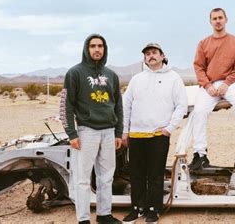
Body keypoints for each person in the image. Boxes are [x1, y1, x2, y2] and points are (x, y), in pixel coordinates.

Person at [121, 43, 188, 224]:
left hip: (158, 136)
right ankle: (137, 208)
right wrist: (125, 131)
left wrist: (168, 128)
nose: (151, 56)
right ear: (144, 58)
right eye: (147, 54)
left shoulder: (173, 78)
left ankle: (153, 210)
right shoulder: (137, 79)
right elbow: (126, 105)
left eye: (154, 53)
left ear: (162, 55)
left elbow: (181, 105)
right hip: (136, 135)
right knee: (136, 174)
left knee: (156, 174)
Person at [60, 34, 123, 224]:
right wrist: (71, 133)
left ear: (105, 49)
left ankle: (104, 215)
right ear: (87, 49)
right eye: (93, 46)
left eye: (100, 46)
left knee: (106, 177)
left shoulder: (111, 75)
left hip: (109, 132)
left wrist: (118, 132)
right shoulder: (75, 73)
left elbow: (118, 105)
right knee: (83, 179)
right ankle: (84, 219)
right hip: (86, 131)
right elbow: (65, 105)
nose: (97, 49)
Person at [189, 8, 235, 170]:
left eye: (220, 18)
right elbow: (198, 67)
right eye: (214, 18)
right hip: (210, 85)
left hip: (230, 83)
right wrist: (207, 85)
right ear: (210, 22)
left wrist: (227, 83)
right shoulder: (203, 43)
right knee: (199, 112)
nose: (217, 21)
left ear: (226, 20)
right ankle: (200, 154)